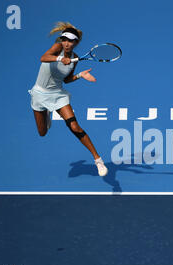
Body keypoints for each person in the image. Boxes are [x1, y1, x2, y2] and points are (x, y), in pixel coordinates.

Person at [28, 22, 108, 176]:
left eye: (70, 41)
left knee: (74, 127)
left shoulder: (76, 58)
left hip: (58, 95)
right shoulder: (57, 48)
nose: (66, 43)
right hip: (39, 94)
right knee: (42, 132)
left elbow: (66, 79)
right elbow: (43, 58)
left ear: (76, 43)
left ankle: (98, 160)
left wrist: (80, 75)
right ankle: (47, 112)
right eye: (64, 39)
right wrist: (59, 59)